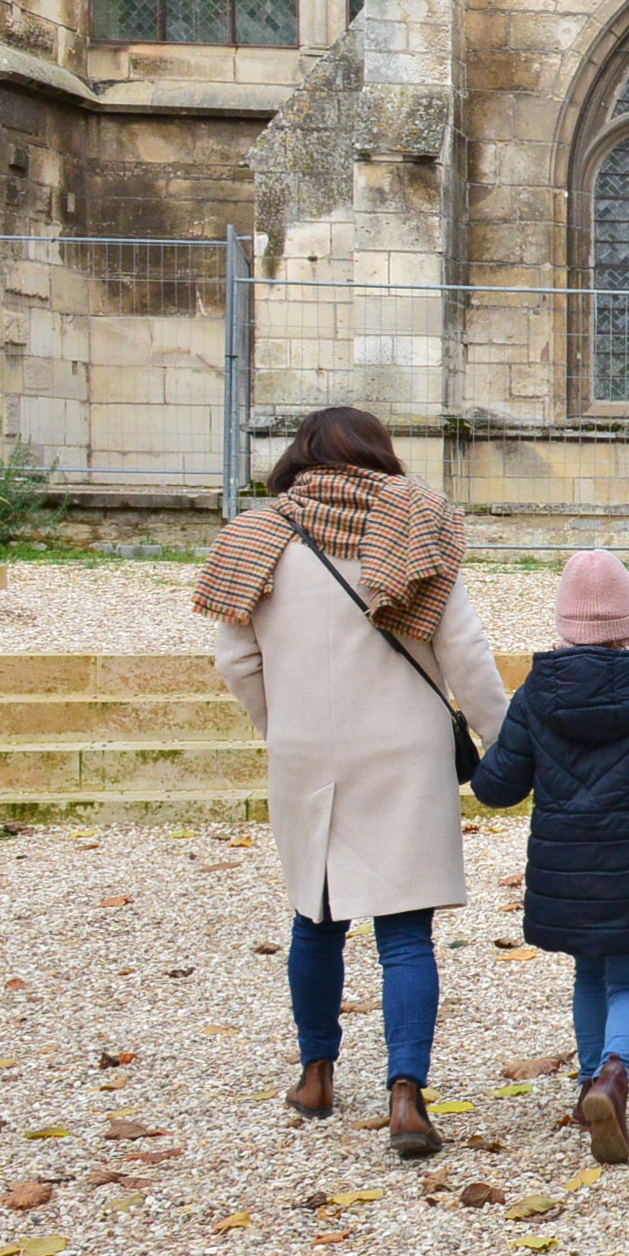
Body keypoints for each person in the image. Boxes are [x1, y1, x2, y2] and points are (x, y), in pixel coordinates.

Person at [194, 405, 510, 1160]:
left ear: (300, 456)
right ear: (379, 452)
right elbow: (464, 652)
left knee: (316, 917)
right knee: (404, 932)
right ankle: (406, 1096)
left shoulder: (257, 535)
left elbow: (235, 661)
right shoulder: (416, 523)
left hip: (306, 751)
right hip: (405, 752)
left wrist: (285, 727)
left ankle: (316, 1076)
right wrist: (503, 742)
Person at [464, 552, 629, 1165]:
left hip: (564, 872)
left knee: (587, 971)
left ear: (564, 622)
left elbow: (496, 789)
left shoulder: (535, 696)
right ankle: (614, 1072)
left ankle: (589, 1086)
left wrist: (478, 748)